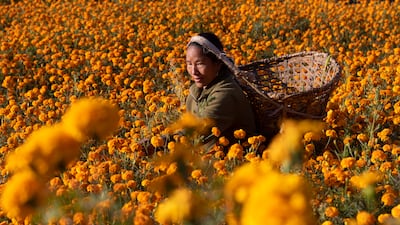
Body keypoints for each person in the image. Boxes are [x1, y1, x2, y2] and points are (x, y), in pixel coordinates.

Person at [185, 32, 257, 150]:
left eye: (200, 63)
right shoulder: (196, 91)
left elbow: (200, 130)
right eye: (189, 64)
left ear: (218, 64)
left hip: (235, 162)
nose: (194, 71)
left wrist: (163, 141)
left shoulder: (226, 94)